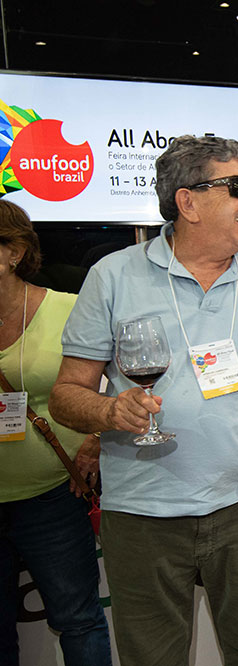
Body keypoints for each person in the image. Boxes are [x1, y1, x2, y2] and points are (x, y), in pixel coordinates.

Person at [49, 135, 238, 666]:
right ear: (188, 201)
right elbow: (65, 395)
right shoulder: (113, 277)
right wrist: (110, 411)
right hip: (144, 514)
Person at [0, 201, 112, 666]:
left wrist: (97, 440)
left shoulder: (67, 309)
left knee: (78, 619)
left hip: (53, 495)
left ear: (14, 252)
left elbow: (122, 385)